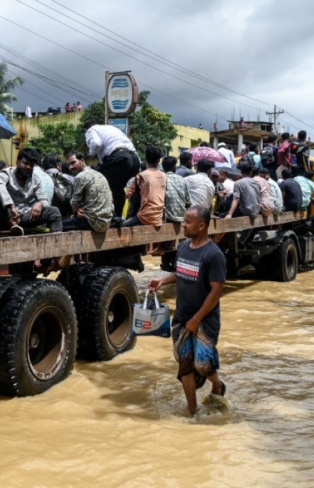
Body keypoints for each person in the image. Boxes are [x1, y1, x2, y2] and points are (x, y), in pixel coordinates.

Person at [148, 205, 227, 415]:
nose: (183, 225)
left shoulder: (214, 255)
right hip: (182, 317)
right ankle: (193, 411)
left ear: (201, 226)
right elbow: (181, 272)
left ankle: (217, 384)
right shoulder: (183, 247)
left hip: (205, 320)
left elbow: (216, 292)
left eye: (187, 222)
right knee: (184, 363)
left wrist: (197, 319)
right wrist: (163, 281)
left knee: (202, 363)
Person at [0, 147, 63, 234]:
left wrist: (40, 204)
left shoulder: (35, 179)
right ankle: (11, 225)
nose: (28, 167)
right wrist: (11, 206)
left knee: (54, 211)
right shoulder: (5, 173)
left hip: (24, 216)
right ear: (17, 162)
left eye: (31, 165)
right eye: (25, 163)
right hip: (6, 216)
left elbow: (44, 199)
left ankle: (56, 242)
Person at [83, 120, 140, 217]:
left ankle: (99, 215)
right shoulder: (110, 128)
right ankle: (117, 217)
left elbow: (96, 144)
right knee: (117, 188)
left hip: (120, 158)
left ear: (85, 129)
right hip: (134, 160)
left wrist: (91, 153)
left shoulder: (90, 130)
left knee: (95, 177)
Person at [61, 151, 113, 232]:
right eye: (68, 165)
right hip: (107, 222)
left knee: (58, 226)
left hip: (92, 222)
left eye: (73, 163)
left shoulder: (80, 176)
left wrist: (77, 209)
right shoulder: (99, 174)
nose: (71, 167)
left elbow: (74, 205)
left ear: (82, 161)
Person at [124, 146, 167, 227]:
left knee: (120, 226)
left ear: (146, 159)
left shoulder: (141, 175)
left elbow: (127, 194)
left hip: (144, 217)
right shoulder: (164, 175)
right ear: (158, 160)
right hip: (158, 218)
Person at [162, 155, 191, 224]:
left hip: (167, 218)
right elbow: (188, 202)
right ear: (174, 167)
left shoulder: (161, 179)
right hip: (182, 217)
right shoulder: (182, 179)